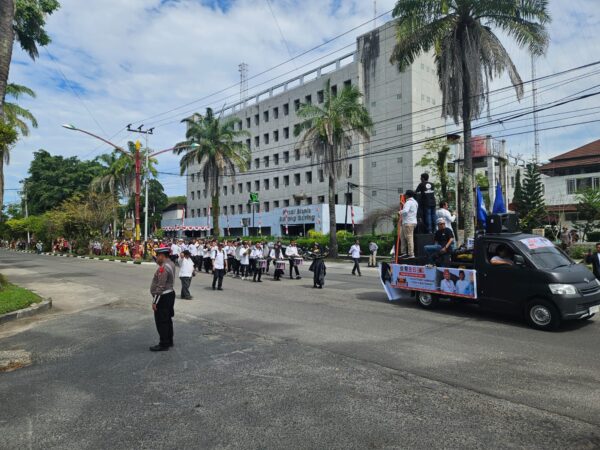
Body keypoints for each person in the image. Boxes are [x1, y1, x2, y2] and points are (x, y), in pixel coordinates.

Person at [149, 247, 176, 352]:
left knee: (161, 321)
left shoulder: (164, 268)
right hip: (170, 295)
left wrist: (155, 302)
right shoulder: (171, 263)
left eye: (157, 255)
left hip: (163, 297)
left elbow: (160, 287)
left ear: (162, 256)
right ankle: (169, 341)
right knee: (168, 320)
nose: (156, 258)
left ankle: (164, 344)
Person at [400, 190, 418, 258]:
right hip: (411, 222)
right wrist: (404, 205)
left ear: (407, 195)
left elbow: (405, 211)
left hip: (408, 222)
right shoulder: (415, 202)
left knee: (409, 238)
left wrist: (400, 212)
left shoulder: (408, 202)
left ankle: (411, 254)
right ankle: (404, 252)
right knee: (403, 237)